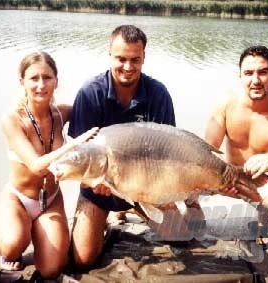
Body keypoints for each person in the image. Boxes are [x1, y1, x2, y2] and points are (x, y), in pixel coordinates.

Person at [68, 24, 204, 269]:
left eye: (135, 59)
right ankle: (105, 219)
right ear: (109, 54)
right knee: (82, 260)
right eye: (121, 59)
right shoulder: (90, 94)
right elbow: (78, 158)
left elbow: (170, 156)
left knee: (182, 238)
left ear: (144, 58)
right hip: (100, 190)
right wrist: (92, 183)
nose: (128, 67)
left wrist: (184, 188)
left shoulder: (158, 93)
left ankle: (138, 210)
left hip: (148, 188)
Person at [0, 51, 98, 278]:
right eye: (34, 78)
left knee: (51, 269)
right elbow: (37, 166)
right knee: (11, 246)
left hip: (49, 201)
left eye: (47, 77)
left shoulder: (62, 113)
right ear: (22, 82)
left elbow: (98, 115)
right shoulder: (12, 120)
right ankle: (16, 230)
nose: (41, 85)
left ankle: (37, 230)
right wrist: (75, 143)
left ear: (56, 81)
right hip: (18, 198)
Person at [205, 45, 268, 243]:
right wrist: (217, 181)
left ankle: (262, 217)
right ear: (240, 76)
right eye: (248, 73)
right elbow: (205, 153)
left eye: (263, 72)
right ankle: (189, 219)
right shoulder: (226, 104)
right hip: (227, 177)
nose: (256, 80)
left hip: (259, 184)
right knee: (178, 176)